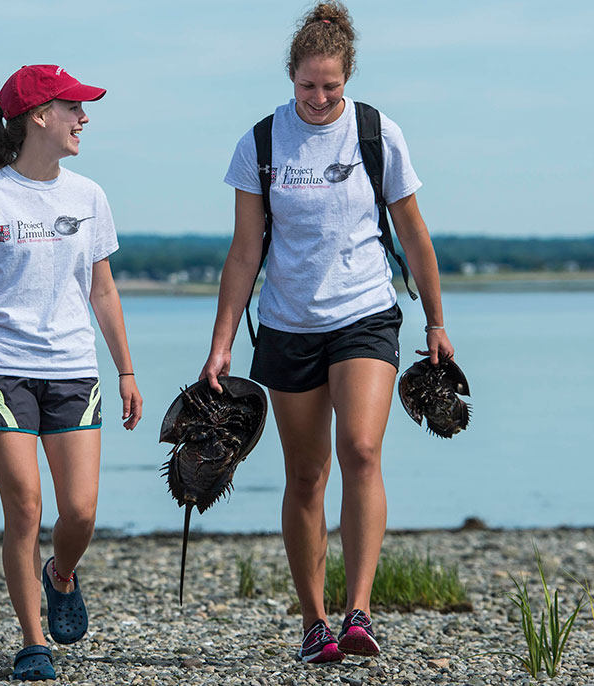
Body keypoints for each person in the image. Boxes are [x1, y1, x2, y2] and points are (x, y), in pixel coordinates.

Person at [199, 1, 456, 665]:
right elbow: (243, 252)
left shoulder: (378, 134)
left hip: (365, 312)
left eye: (331, 87)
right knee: (306, 475)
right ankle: (314, 622)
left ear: (348, 79)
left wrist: (434, 316)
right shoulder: (260, 143)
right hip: (287, 324)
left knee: (362, 450)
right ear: (291, 77)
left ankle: (359, 610)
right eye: (308, 86)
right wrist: (223, 342)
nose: (318, 98)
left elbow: (414, 233)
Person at [0, 64, 142, 682]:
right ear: (39, 117)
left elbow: (103, 292)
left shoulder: (89, 197)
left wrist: (127, 371)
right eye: (73, 108)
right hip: (1, 372)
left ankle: (60, 574)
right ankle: (34, 643)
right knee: (25, 506)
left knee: (79, 512)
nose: (84, 118)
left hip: (75, 371)